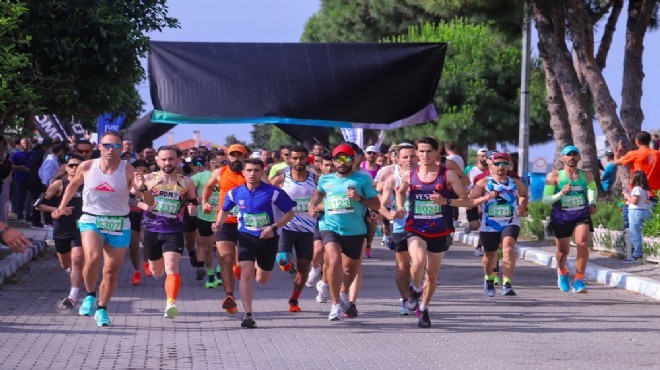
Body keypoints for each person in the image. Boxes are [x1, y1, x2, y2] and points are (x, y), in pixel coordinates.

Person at [54, 131, 149, 327]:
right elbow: (72, 186)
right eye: (107, 145)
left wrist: (142, 187)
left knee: (111, 272)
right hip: (92, 219)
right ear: (99, 147)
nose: (111, 150)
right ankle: (89, 294)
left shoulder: (128, 170)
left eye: (115, 146)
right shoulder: (87, 166)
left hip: (119, 222)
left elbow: (147, 201)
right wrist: (62, 206)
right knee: (93, 257)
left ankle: (102, 309)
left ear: (121, 149)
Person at [395, 137, 474, 328]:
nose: (424, 155)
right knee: (418, 261)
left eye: (428, 151)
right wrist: (399, 207)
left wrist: (446, 202)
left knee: (431, 274)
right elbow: (400, 192)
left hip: (440, 229)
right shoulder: (409, 175)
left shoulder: (448, 175)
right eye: (420, 151)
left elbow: (467, 201)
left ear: (437, 152)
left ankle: (423, 309)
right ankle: (415, 289)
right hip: (416, 227)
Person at [212, 158, 296, 328]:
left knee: (262, 279)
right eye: (249, 170)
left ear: (262, 172)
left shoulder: (274, 192)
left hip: (268, 238)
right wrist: (219, 223)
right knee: (246, 272)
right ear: (243, 172)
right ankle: (248, 314)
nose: (252, 174)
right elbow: (224, 210)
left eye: (256, 170)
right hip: (245, 236)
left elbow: (290, 214)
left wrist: (273, 227)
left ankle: (260, 265)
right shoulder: (235, 193)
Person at [309, 144, 380, 321]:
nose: (341, 162)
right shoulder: (326, 180)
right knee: (333, 260)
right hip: (330, 227)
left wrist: (359, 199)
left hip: (355, 230)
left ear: (354, 159)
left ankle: (343, 293)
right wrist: (314, 208)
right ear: (333, 161)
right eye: (337, 159)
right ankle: (335, 305)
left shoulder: (362, 180)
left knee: (350, 270)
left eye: (346, 158)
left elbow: (376, 204)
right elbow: (315, 200)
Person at [202, 144, 266, 315]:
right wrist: (204, 202)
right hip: (225, 221)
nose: (236, 158)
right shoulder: (220, 172)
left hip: (248, 222)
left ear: (245, 157)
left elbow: (268, 191)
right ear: (228, 156)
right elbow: (208, 187)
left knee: (245, 264)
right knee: (226, 258)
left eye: (240, 155)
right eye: (233, 155)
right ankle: (229, 296)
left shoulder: (251, 174)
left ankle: (240, 272)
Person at [140, 146, 197, 319]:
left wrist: (194, 209)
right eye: (164, 159)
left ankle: (170, 303)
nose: (167, 162)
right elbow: (129, 198)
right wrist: (142, 204)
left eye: (171, 159)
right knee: (156, 271)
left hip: (174, 230)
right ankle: (153, 268)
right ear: (157, 160)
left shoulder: (186, 182)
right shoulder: (147, 179)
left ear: (177, 160)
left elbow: (192, 202)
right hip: (151, 229)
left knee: (172, 267)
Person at [470, 152, 528, 297]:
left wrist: (522, 207)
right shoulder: (483, 182)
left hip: (510, 221)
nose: (501, 167)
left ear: (508, 165)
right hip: (490, 224)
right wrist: (485, 197)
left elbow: (524, 195)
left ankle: (507, 284)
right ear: (491, 165)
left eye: (504, 163)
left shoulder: (515, 182)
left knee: (508, 248)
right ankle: (489, 278)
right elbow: (470, 201)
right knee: (490, 255)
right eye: (497, 163)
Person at [542, 145, 597, 293]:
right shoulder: (554, 176)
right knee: (562, 252)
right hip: (561, 216)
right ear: (563, 158)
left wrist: (592, 202)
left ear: (579, 157)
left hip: (581, 213)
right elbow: (546, 200)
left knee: (582, 243)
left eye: (574, 154)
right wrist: (560, 194)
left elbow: (592, 189)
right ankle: (562, 271)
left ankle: (579, 279)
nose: (571, 157)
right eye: (568, 155)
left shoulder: (587, 175)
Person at [271, 145, 318, 312]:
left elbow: (324, 198)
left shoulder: (315, 179)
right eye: (295, 158)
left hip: (308, 230)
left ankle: (294, 299)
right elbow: (267, 197)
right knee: (283, 260)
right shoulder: (282, 179)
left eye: (302, 158)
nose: (298, 161)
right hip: (287, 227)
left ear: (307, 159)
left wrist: (318, 208)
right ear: (289, 159)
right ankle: (287, 264)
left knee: (304, 269)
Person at [37, 155, 85, 308]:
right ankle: (72, 272)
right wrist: (58, 210)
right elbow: (38, 205)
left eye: (78, 165)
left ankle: (72, 295)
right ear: (66, 167)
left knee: (78, 259)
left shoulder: (89, 184)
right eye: (71, 165)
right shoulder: (59, 184)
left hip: (82, 228)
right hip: (62, 229)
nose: (75, 168)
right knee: (65, 264)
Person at [376, 142, 418, 315]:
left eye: (412, 156)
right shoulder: (393, 179)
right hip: (402, 227)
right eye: (405, 157)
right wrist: (390, 214)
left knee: (420, 263)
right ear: (398, 160)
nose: (409, 160)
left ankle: (417, 292)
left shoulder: (430, 175)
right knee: (402, 266)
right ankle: (406, 299)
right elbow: (381, 205)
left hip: (427, 226)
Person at [192, 153, 223, 288]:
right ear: (209, 163)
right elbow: (185, 186)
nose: (218, 164)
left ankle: (219, 271)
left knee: (222, 248)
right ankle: (210, 273)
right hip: (205, 216)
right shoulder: (201, 177)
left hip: (223, 216)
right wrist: (196, 199)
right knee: (208, 248)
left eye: (222, 161)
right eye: (214, 161)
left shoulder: (228, 177)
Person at [613, 131, 659, 222]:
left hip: (635, 193)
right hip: (654, 194)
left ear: (637, 141)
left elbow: (616, 162)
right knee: (650, 224)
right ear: (649, 140)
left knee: (629, 224)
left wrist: (619, 150)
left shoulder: (634, 154)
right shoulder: (658, 154)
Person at [308, 153, 335, 302]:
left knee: (329, 259)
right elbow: (314, 202)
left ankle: (323, 287)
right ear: (320, 166)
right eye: (326, 165)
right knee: (318, 251)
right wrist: (313, 208)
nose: (329, 168)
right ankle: (314, 269)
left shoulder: (341, 180)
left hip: (338, 223)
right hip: (322, 220)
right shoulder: (318, 180)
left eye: (332, 164)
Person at [622, 170, 652, 263]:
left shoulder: (637, 189)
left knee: (635, 233)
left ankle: (637, 255)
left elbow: (635, 201)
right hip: (645, 210)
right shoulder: (646, 190)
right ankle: (647, 252)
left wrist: (626, 194)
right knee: (644, 233)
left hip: (635, 212)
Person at [467, 148, 489, 256]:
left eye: (486, 156)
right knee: (475, 225)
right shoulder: (473, 171)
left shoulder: (492, 170)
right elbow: (469, 188)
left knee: (484, 225)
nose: (484, 158)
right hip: (474, 200)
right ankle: (470, 226)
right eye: (482, 156)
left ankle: (479, 247)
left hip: (486, 202)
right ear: (478, 157)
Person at [10, 138, 33, 223]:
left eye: (27, 143)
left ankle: (29, 215)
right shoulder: (16, 154)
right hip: (19, 179)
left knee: (31, 198)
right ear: (20, 144)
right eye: (24, 143)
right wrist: (19, 167)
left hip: (31, 179)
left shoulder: (34, 154)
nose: (26, 145)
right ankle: (19, 214)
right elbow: (10, 165)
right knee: (20, 197)